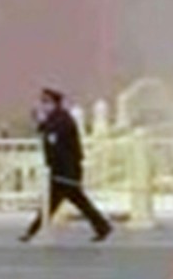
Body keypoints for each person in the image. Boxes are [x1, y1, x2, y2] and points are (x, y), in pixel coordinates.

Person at [20, 88, 113, 243]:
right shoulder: (57, 119)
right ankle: (102, 226)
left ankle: (31, 232)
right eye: (42, 102)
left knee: (59, 203)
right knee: (68, 202)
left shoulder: (63, 119)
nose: (43, 105)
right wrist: (41, 122)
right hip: (60, 171)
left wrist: (43, 123)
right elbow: (48, 133)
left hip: (66, 171)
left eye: (46, 102)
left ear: (55, 103)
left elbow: (54, 138)